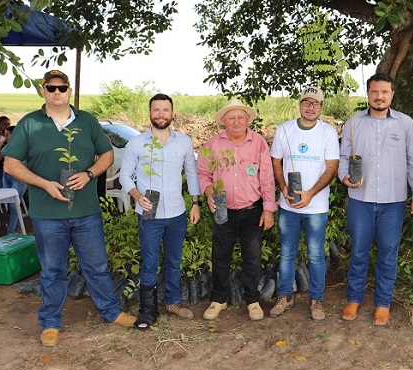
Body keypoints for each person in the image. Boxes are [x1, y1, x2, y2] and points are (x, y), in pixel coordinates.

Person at [3, 69, 136, 346]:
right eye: (51, 88)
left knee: (97, 266)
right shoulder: (29, 124)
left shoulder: (86, 121)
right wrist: (43, 183)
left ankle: (111, 312)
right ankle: (50, 322)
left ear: (69, 91)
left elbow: (108, 154)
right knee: (52, 269)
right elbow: (10, 164)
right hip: (47, 214)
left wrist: (89, 173)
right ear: (43, 90)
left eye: (62, 88)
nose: (56, 93)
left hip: (86, 211)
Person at [338, 73, 413, 326]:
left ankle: (383, 303)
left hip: (393, 202)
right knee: (359, 251)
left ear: (392, 95)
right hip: (360, 200)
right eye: (375, 91)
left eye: (384, 92)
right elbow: (343, 159)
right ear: (368, 94)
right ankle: (353, 298)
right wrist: (345, 178)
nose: (379, 96)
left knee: (388, 253)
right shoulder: (353, 123)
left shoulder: (405, 124)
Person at [120, 93, 201, 329]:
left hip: (176, 213)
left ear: (173, 114)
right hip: (149, 214)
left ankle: (173, 302)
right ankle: (148, 309)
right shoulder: (137, 143)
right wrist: (137, 195)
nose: (161, 115)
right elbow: (125, 175)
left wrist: (195, 202)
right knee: (149, 261)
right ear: (149, 113)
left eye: (166, 110)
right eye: (156, 110)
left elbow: (192, 173)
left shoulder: (184, 142)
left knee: (174, 260)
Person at [197, 98, 277, 321]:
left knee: (252, 258)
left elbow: (267, 178)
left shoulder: (258, 143)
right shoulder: (212, 144)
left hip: (252, 210)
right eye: (231, 117)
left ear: (247, 119)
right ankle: (218, 300)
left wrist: (268, 209)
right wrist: (209, 192)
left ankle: (252, 300)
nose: (236, 121)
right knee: (220, 255)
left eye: (240, 117)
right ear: (223, 120)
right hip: (223, 211)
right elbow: (203, 173)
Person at [269, 86, 339, 322]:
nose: (311, 107)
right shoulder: (285, 130)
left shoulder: (327, 132)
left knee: (316, 254)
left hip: (315, 207)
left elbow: (332, 168)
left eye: (316, 103)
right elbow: (276, 161)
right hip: (288, 206)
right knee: (287, 253)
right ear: (300, 105)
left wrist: (310, 193)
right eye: (306, 103)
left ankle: (316, 298)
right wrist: (283, 187)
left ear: (321, 107)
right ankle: (285, 296)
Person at [0, 126, 29, 234]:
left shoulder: (24, 146)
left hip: (18, 178)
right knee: (10, 203)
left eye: (7, 134)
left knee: (14, 203)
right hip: (6, 176)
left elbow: (29, 163)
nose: (5, 136)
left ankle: (11, 231)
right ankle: (18, 228)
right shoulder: (8, 146)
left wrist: (15, 165)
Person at [0, 116, 11, 188]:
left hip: (7, 168)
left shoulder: (11, 137)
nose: (7, 126)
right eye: (4, 124)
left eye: (8, 124)